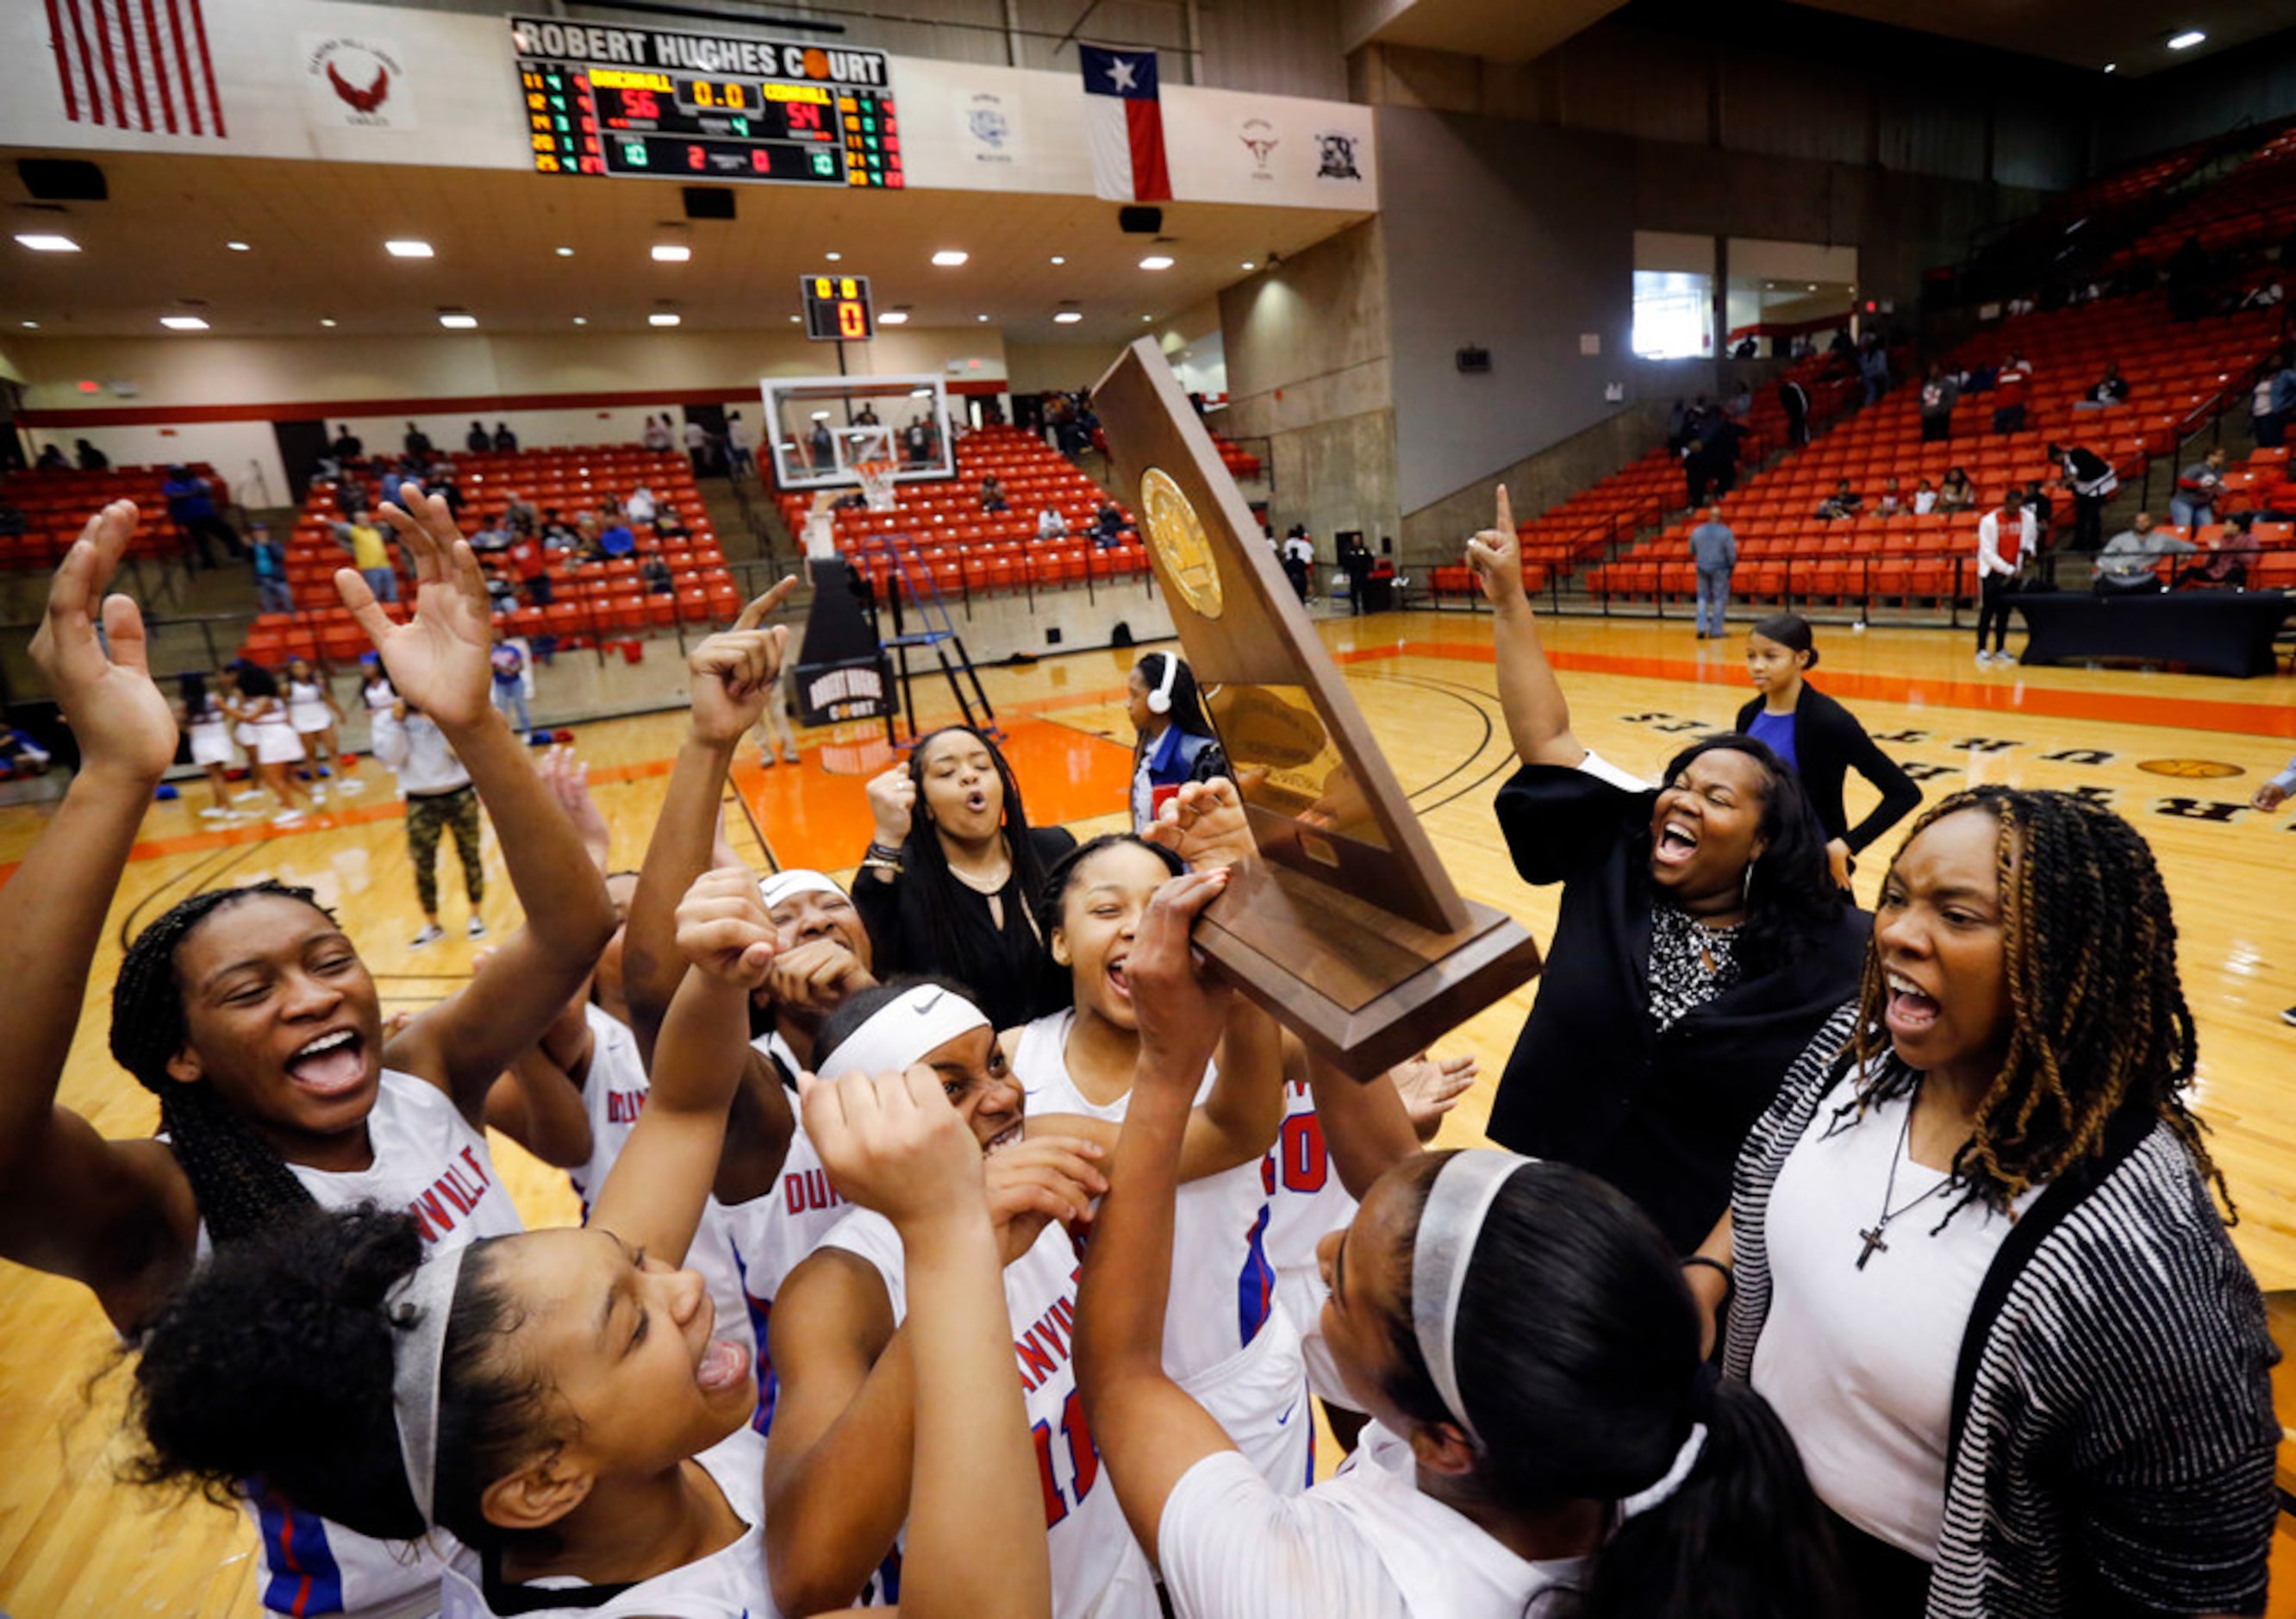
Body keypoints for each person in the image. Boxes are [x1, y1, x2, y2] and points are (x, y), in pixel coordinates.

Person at [0, 491, 615, 1619]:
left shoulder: (426, 1080)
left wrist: (474, 723)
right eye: (252, 988)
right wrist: (109, 777)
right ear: (181, 1059)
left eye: (327, 959)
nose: (313, 994)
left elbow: (573, 929)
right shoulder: (161, 1208)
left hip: (579, 1534)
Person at [1070, 866, 1849, 1619]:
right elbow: (1403, 1193)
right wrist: (1298, 934)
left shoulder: (1311, 1590)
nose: (1324, 1247)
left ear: (1444, 1444)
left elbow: (1123, 1376)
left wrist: (1170, 1069)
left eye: (1343, 1289)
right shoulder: (1628, 1450)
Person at [1693, 788, 2279, 1618]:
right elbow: (1764, 1184)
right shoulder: (1855, 1051)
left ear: (2063, 955)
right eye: (1894, 895)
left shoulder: (2137, 1252)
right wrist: (1708, 1270)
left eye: (1957, 915)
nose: (1894, 930)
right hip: (1743, 1516)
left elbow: (2194, 1580)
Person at [1465, 489, 1868, 1252]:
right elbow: (1547, 737)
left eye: (1717, 797)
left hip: (1682, 1240)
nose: (1683, 799)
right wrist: (1511, 601)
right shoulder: (1614, 855)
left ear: (1759, 843)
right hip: (1547, 1195)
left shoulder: (1824, 949)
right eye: (1680, 783)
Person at [761, 978, 1130, 1616]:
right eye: (951, 1089)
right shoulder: (839, 1285)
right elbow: (808, 1575)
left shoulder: (1031, 1177)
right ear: (879, 1129)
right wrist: (960, 1250)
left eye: (995, 1063)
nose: (1003, 1096)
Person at [1008, 833, 1305, 1490]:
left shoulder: (1239, 1056)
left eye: (1161, 906)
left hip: (1234, 1380)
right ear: (1058, 942)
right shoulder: (1006, 1066)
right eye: (1107, 910)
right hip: (1077, 1407)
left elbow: (1253, 1117)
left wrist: (1244, 888)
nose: (1139, 926)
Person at [858, 726, 1077, 1030]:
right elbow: (872, 960)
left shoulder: (1054, 850)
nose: (969, 776)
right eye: (947, 772)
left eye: (982, 766)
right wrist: (887, 835)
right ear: (925, 805)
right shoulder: (901, 878)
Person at [1735, 614, 1919, 892]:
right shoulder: (1748, 715)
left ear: (1802, 659)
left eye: (1771, 657)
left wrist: (1847, 843)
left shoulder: (1829, 720)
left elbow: (1904, 792)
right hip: (1760, 865)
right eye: (1751, 656)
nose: (1757, 666)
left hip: (1812, 872)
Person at [373, 693, 489, 946]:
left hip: (459, 793)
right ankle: (432, 923)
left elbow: (469, 748)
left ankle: (476, 917)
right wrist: (397, 722)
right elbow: (391, 759)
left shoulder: (449, 711)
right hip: (419, 799)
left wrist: (444, 721)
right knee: (423, 863)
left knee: (470, 855)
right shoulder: (388, 719)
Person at [1126, 652, 1229, 834]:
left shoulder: (1198, 755)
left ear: (1158, 701)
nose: (1127, 704)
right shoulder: (1146, 746)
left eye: (1134, 695)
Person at [233, 663, 316, 825]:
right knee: (285, 775)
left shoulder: (264, 700)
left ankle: (291, 809)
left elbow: (249, 718)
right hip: (279, 735)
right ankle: (310, 796)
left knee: (273, 778)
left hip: (273, 738)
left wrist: (224, 708)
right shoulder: (273, 698)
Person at [284, 655, 358, 799]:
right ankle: (316, 782)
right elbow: (283, 705)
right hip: (302, 720)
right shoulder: (288, 687)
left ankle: (342, 779)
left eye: (303, 666)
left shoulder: (317, 684)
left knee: (333, 749)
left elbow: (328, 698)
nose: (301, 670)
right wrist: (288, 720)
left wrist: (340, 713)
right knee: (310, 754)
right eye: (297, 667)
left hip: (322, 718)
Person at [1974, 489, 2032, 666]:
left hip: (2013, 571)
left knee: (2004, 612)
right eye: (2013, 507)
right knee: (1987, 612)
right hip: (1992, 573)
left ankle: (2000, 648)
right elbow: (1987, 552)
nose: (2016, 511)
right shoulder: (1989, 522)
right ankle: (1981, 649)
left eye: (2019, 507)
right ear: (2005, 503)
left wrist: (2030, 552)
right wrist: (2008, 569)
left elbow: (2029, 540)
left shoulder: (2027, 518)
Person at [177, 670, 242, 822]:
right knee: (219, 774)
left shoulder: (184, 704)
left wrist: (192, 728)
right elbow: (227, 713)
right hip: (219, 737)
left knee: (215, 776)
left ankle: (228, 808)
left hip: (201, 740)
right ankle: (220, 806)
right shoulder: (215, 699)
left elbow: (179, 723)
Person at [162, 464, 245, 569]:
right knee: (201, 541)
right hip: (190, 518)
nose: (180, 474)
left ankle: (237, 554)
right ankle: (208, 563)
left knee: (227, 533)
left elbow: (207, 490)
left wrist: (196, 491)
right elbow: (172, 495)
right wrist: (190, 493)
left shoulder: (196, 481)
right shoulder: (170, 484)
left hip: (207, 515)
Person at [2093, 510, 2195, 593]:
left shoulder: (2161, 539)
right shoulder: (2120, 538)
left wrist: (2184, 554)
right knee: (2101, 588)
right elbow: (2103, 558)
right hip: (2118, 573)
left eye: (2144, 521)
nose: (2141, 524)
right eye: (2138, 522)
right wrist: (2117, 569)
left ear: (2151, 522)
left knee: (2165, 591)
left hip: (2145, 576)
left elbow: (2191, 547)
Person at [2047, 441, 2118, 551]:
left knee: (2094, 516)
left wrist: (2075, 478)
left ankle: (2094, 543)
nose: (2056, 463)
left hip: (2098, 483)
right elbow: (2070, 482)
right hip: (2083, 491)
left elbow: (2091, 469)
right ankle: (2079, 543)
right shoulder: (2065, 467)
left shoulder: (2080, 454)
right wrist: (2064, 484)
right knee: (2081, 516)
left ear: (2060, 455)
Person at [1688, 504, 1736, 640]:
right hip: (1720, 568)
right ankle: (1716, 631)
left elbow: (1691, 550)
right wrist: (1731, 567)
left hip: (1702, 567)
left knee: (1702, 597)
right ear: (1720, 517)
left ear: (1709, 516)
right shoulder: (1726, 532)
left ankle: (1701, 627)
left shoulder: (1697, 531)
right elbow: (1731, 554)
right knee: (1719, 599)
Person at [334, 513, 398, 603]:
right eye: (361, 519)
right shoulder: (355, 531)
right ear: (356, 521)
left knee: (392, 593)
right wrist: (326, 520)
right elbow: (339, 527)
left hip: (385, 565)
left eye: (365, 519)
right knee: (375, 594)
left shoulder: (374, 531)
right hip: (370, 567)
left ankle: (394, 609)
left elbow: (387, 528)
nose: (365, 521)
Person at [2188, 509, 2258, 587]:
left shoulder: (2250, 538)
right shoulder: (2223, 538)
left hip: (2233, 571)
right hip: (2216, 571)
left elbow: (2250, 560)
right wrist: (2214, 551)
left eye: (2227, 525)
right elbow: (2206, 564)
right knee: (2191, 570)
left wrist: (2234, 551)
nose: (2224, 528)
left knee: (2235, 572)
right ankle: (2174, 589)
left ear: (2236, 527)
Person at [2171, 446, 2228, 529]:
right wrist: (2200, 485)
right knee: (2184, 527)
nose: (2221, 458)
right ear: (2210, 456)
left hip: (2202, 504)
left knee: (2207, 528)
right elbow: (2182, 481)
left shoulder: (2219, 472)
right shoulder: (2197, 468)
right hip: (2184, 502)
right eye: (2219, 455)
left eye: (2223, 456)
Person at [490, 634, 533, 737]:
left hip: (515, 681)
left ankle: (527, 732)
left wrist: (513, 670)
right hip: (500, 683)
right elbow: (489, 669)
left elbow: (521, 664)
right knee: (502, 710)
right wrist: (499, 669)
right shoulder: (491, 652)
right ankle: (505, 735)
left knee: (521, 707)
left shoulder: (512, 649)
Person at [248, 522, 292, 614]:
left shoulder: (275, 544)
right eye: (256, 532)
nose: (259, 533)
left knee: (287, 597)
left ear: (266, 532)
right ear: (253, 534)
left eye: (261, 531)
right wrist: (248, 548)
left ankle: (291, 618)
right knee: (267, 603)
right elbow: (249, 560)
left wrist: (267, 546)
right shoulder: (252, 548)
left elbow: (281, 556)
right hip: (262, 578)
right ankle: (273, 619)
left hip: (278, 578)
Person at [1990, 351, 2031, 434]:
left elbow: (2027, 385)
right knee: (1999, 430)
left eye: (2010, 360)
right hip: (2001, 407)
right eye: (2007, 360)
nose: (2008, 362)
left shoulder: (2022, 373)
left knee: (2017, 429)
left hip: (2016, 405)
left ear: (2015, 362)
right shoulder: (2000, 376)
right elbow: (1997, 387)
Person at [1919, 366, 1959, 443]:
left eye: (1934, 370)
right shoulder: (1927, 384)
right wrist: (1923, 410)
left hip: (1941, 417)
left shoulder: (1947, 384)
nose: (1932, 372)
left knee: (1941, 440)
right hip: (1927, 417)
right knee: (1927, 441)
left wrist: (1942, 410)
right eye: (1931, 370)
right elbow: (1922, 399)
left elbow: (1952, 399)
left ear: (1940, 371)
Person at [1280, 525, 1314, 602]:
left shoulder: (1290, 543)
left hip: (1296, 565)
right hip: (1306, 562)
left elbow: (1285, 553)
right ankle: (1310, 596)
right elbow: (1311, 553)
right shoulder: (1305, 543)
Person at [1780, 375, 1811, 446]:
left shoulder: (1795, 388)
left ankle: (1804, 442)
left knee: (1801, 426)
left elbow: (1803, 400)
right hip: (1795, 413)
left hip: (1799, 411)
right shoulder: (1785, 391)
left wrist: (1804, 410)